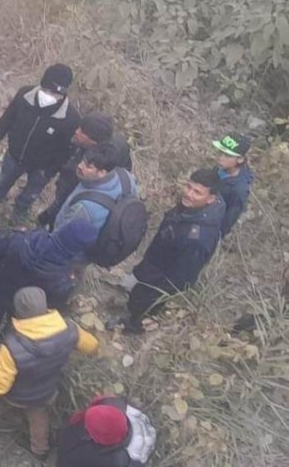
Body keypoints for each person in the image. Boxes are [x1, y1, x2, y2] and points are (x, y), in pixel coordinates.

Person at [0, 287, 99, 458]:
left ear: (18, 312)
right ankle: (40, 450)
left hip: (18, 396)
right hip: (48, 390)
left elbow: (0, 386)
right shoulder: (70, 330)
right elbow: (93, 346)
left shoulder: (12, 347)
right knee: (39, 418)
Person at [111, 169, 225, 335]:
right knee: (137, 294)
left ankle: (131, 326)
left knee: (142, 307)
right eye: (188, 187)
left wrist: (155, 294)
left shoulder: (198, 239)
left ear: (211, 199)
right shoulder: (192, 209)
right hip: (155, 262)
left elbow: (181, 278)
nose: (189, 194)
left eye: (197, 192)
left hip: (160, 279)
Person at [0, 219, 98, 344]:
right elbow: (50, 308)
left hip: (0, 291)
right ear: (79, 250)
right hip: (25, 310)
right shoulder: (64, 281)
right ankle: (4, 345)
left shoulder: (19, 239)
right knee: (13, 326)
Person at [0, 64, 81, 221]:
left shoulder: (70, 118)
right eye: (46, 90)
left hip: (41, 168)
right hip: (14, 155)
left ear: (64, 93)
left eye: (55, 94)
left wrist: (50, 171)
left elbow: (66, 151)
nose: (49, 96)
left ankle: (18, 212)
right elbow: (7, 118)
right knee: (2, 182)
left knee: (30, 194)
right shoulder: (24, 96)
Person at [38, 112, 132, 230]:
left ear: (93, 141)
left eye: (82, 132)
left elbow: (66, 197)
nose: (76, 131)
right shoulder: (115, 141)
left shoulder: (89, 167)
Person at [52, 142, 138, 236]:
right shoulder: (127, 178)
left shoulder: (83, 208)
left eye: (88, 167)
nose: (80, 166)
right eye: (83, 160)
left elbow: (60, 235)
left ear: (102, 173)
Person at [213, 132, 255, 237]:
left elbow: (229, 219)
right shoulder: (220, 168)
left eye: (227, 155)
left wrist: (216, 236)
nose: (221, 157)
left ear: (240, 159)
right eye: (220, 152)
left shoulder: (239, 190)